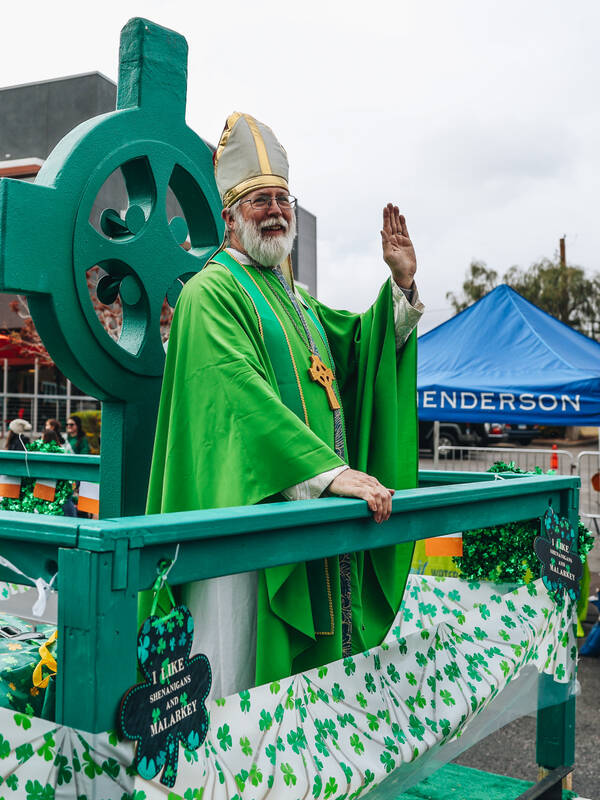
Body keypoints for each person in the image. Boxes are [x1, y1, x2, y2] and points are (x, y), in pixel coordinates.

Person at [145, 112, 423, 696]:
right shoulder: (210, 292)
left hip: (307, 514)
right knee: (240, 682)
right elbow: (235, 398)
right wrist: (331, 474)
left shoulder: (292, 297)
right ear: (228, 218)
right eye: (259, 201)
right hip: (245, 520)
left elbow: (354, 352)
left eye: (283, 200)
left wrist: (400, 288)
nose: (275, 211)